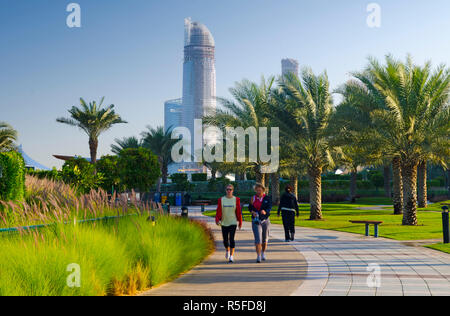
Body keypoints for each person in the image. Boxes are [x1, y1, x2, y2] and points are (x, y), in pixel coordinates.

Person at [215, 184, 242, 263]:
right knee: (225, 240)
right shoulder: (221, 199)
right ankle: (227, 249)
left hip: (233, 222)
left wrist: (240, 222)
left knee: (232, 239)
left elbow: (239, 211)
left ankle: (231, 256)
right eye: (227, 189)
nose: (229, 191)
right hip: (224, 222)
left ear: (233, 191)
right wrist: (217, 220)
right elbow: (218, 211)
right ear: (225, 190)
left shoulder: (236, 199)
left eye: (230, 189)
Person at [249, 183, 272, 263]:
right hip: (256, 220)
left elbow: (269, 207)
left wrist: (265, 211)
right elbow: (250, 207)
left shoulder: (267, 198)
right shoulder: (253, 198)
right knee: (258, 239)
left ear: (263, 190)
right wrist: (252, 212)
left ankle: (263, 253)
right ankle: (258, 256)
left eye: (260, 190)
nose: (258, 192)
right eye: (257, 190)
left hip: (265, 220)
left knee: (264, 239)